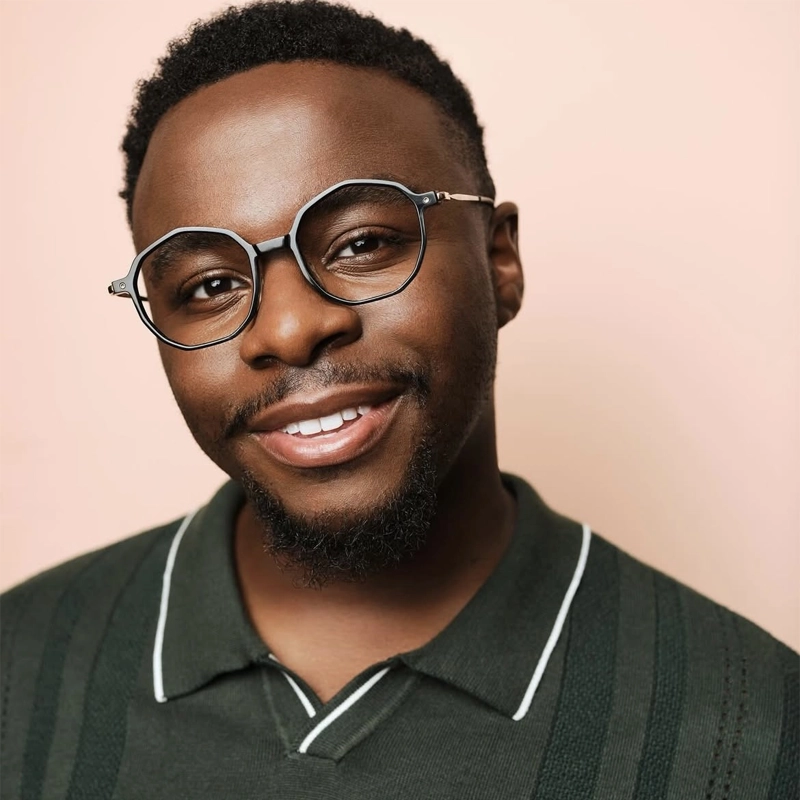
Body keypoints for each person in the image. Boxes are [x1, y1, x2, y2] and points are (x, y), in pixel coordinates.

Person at [1, 1, 796, 797]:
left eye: (360, 245)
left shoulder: (754, 736)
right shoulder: (19, 670)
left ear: (500, 262)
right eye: (209, 285)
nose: (288, 327)